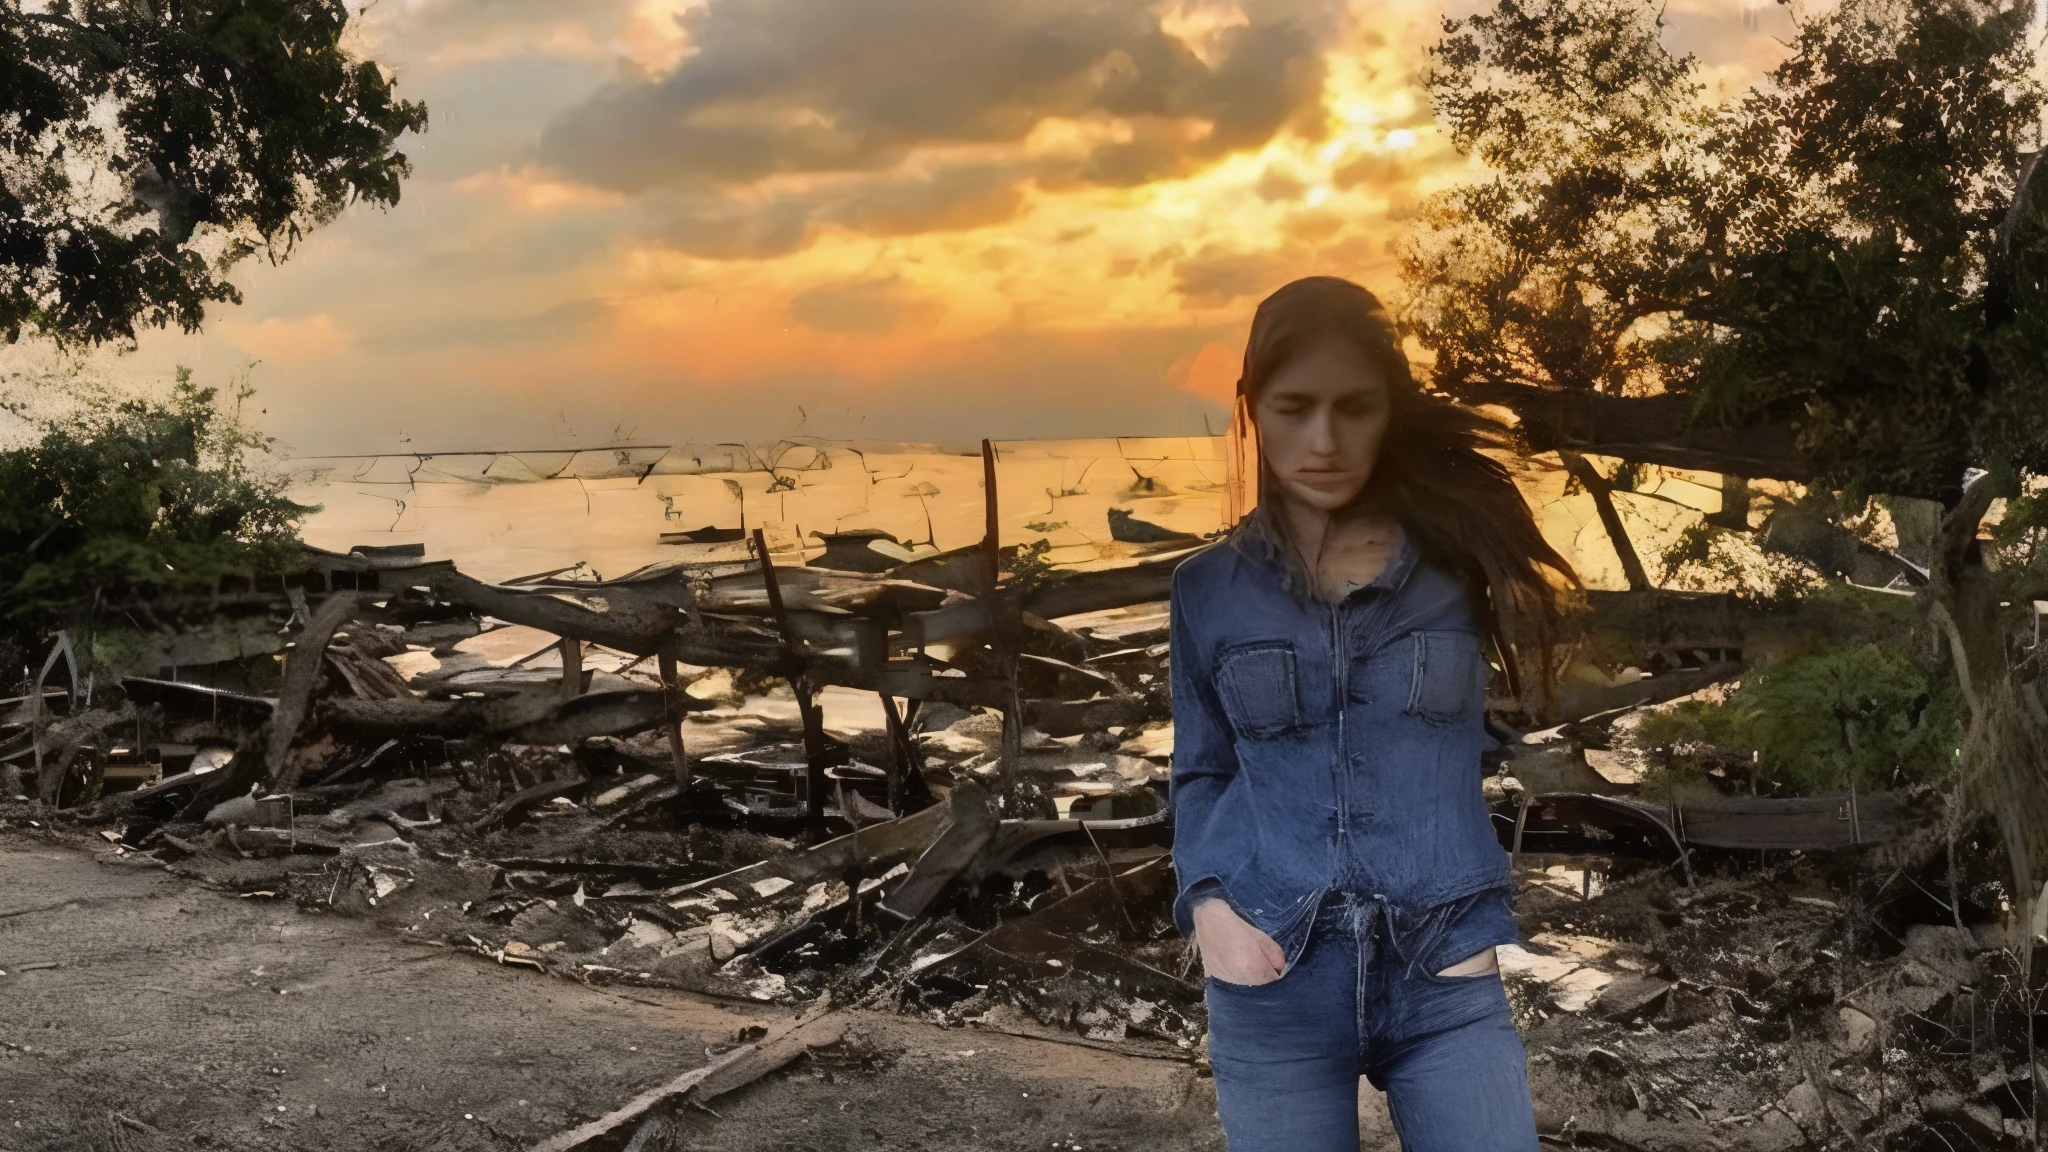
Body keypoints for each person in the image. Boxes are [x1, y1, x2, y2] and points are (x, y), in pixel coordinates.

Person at [1169, 276, 1578, 1151]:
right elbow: (1203, 769)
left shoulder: (1459, 570)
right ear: (1252, 408)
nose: (1322, 439)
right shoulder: (1204, 590)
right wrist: (1209, 908)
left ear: (1389, 410)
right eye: (1294, 406)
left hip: (1443, 972)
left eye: (1354, 407)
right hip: (1271, 972)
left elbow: (1495, 730)